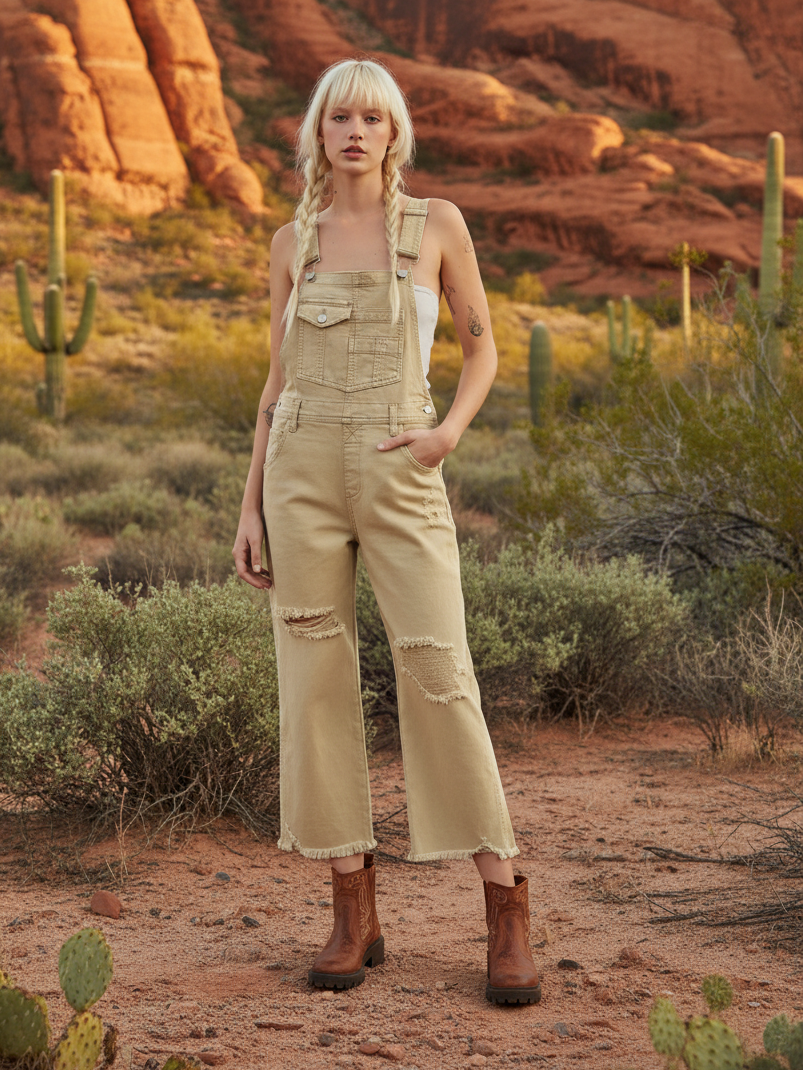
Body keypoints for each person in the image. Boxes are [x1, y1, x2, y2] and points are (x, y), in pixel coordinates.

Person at [232, 58, 540, 1005]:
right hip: (301, 473)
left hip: (402, 468)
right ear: (318, 135)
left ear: (395, 132)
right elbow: (275, 386)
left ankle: (505, 906)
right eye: (339, 118)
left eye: (373, 117)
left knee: (439, 669)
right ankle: (352, 910)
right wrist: (249, 504)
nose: (356, 132)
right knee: (314, 677)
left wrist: (446, 432)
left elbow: (481, 343)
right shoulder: (294, 242)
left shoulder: (436, 225)